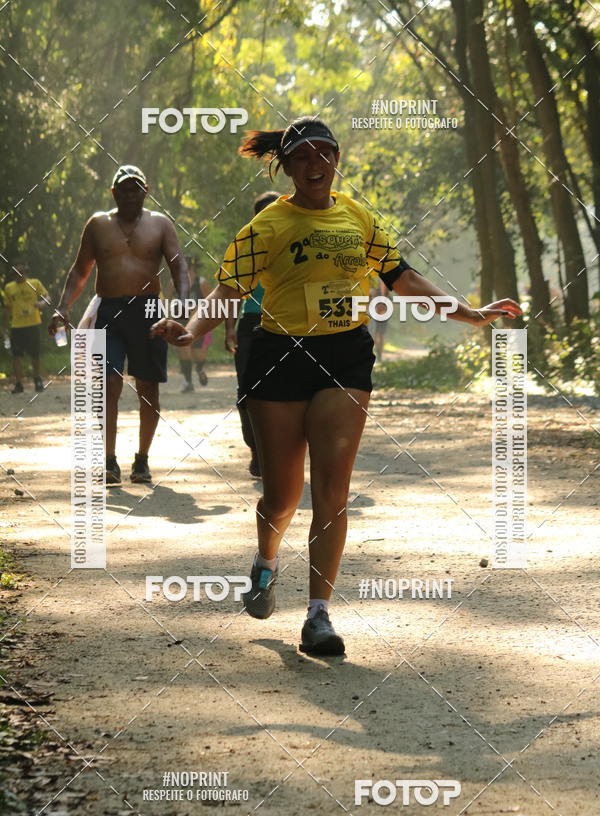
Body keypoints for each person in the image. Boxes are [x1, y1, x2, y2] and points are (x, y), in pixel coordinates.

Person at [152, 116, 521, 657]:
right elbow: (229, 293)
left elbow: (403, 278)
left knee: (332, 491)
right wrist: (190, 331)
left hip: (344, 355)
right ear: (287, 166)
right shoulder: (266, 226)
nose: (314, 165)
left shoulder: (359, 217)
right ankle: (266, 563)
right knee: (282, 495)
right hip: (279, 357)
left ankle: (318, 616)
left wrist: (470, 314)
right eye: (302, 157)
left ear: (336, 158)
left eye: (324, 153)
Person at [49, 164, 189, 486]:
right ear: (114, 192)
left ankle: (142, 459)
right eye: (124, 189)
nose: (130, 194)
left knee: (148, 388)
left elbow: (178, 264)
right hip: (109, 310)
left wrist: (181, 302)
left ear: (146, 190)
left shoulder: (160, 225)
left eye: (135, 188)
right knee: (109, 384)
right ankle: (109, 460)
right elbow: (79, 271)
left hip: (150, 310)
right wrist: (63, 308)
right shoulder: (98, 224)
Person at [225, 191, 280, 478]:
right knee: (246, 392)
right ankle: (256, 452)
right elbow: (231, 291)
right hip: (250, 321)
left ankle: (281, 452)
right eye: (263, 212)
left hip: (287, 322)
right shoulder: (246, 248)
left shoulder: (296, 241)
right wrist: (228, 328)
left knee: (286, 391)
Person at [3, 261, 50, 394]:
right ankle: (19, 383)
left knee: (35, 354)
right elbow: (7, 308)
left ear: (26, 272)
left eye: (22, 272)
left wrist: (41, 304)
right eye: (17, 272)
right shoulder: (9, 287)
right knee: (16, 356)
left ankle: (37, 379)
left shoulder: (34, 283)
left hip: (33, 324)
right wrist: (5, 328)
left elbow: (47, 297)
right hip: (17, 326)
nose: (20, 275)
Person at [178, 257, 211, 392]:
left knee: (198, 356)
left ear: (192, 268)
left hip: (199, 322)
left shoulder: (201, 283)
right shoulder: (173, 282)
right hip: (181, 320)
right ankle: (187, 382)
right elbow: (169, 300)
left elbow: (212, 302)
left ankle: (200, 368)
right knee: (183, 350)